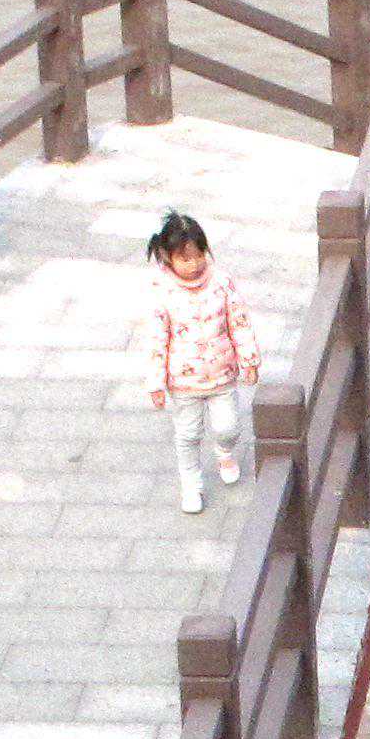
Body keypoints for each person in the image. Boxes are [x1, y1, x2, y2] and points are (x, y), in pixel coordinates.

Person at [142, 209, 262, 514]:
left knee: (228, 427)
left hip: (222, 376)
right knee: (188, 435)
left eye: (197, 256)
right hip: (184, 382)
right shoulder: (162, 292)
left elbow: (239, 321)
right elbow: (157, 339)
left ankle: (224, 451)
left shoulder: (221, 283)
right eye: (185, 259)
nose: (193, 264)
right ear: (169, 259)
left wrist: (249, 359)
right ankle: (191, 484)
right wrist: (155, 382)